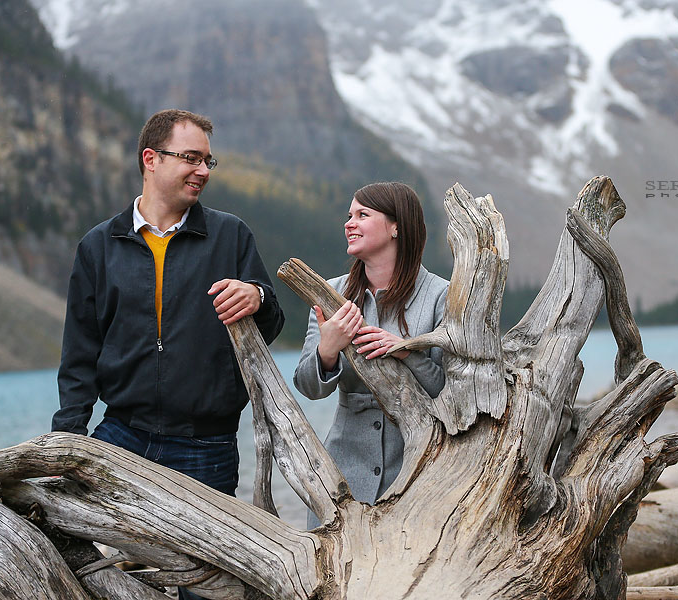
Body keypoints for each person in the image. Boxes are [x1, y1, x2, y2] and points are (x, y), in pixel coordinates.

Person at [52, 110, 284, 597]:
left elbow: (273, 320)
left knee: (205, 588)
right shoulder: (98, 246)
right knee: (97, 574)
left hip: (206, 447)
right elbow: (79, 355)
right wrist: (67, 442)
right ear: (151, 159)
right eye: (191, 158)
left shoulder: (230, 235)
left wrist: (257, 296)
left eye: (208, 161)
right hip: (121, 437)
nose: (202, 170)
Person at [293, 182, 448, 528]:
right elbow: (308, 385)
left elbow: (449, 389)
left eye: (363, 214)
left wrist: (406, 354)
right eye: (349, 215)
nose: (349, 223)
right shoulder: (329, 293)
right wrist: (327, 349)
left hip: (418, 468)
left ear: (397, 227)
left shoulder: (441, 295)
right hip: (343, 474)